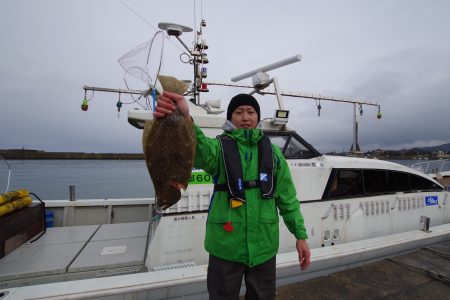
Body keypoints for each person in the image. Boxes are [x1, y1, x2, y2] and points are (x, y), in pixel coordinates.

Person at [154, 91, 310, 300]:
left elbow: (287, 198)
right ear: (230, 118)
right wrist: (184, 117)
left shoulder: (273, 153)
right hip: (225, 247)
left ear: (257, 117)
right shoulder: (218, 147)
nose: (245, 117)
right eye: (239, 112)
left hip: (264, 246)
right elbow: (199, 149)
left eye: (251, 112)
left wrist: (300, 235)